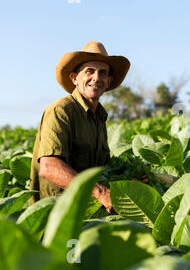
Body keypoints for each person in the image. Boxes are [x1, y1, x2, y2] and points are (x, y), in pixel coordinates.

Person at [29, 41, 130, 213]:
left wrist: (128, 182)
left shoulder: (99, 117)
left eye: (103, 73)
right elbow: (49, 167)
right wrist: (100, 192)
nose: (96, 78)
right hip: (54, 216)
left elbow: (99, 172)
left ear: (108, 81)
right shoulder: (61, 110)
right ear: (74, 78)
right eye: (89, 71)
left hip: (85, 214)